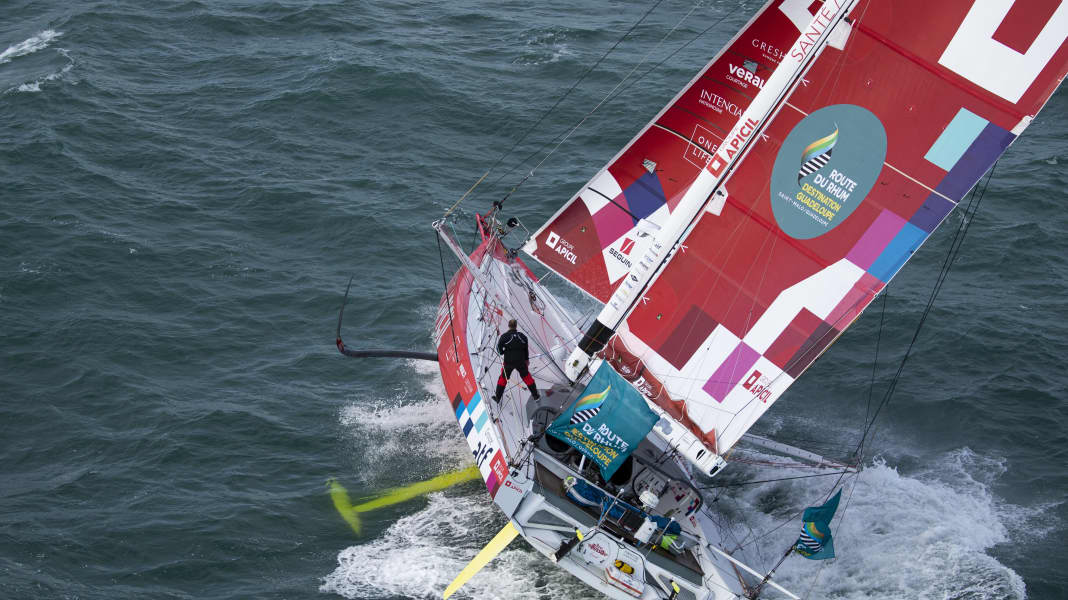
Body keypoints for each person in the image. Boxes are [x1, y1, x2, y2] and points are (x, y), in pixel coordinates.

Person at [494, 319, 539, 402]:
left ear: (508, 326)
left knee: (503, 378)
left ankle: (497, 398)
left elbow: (499, 349)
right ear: (516, 326)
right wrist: (527, 360)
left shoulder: (504, 336)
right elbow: (526, 350)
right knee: (527, 378)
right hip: (521, 362)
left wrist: (503, 352)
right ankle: (536, 396)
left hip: (508, 362)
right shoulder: (522, 336)